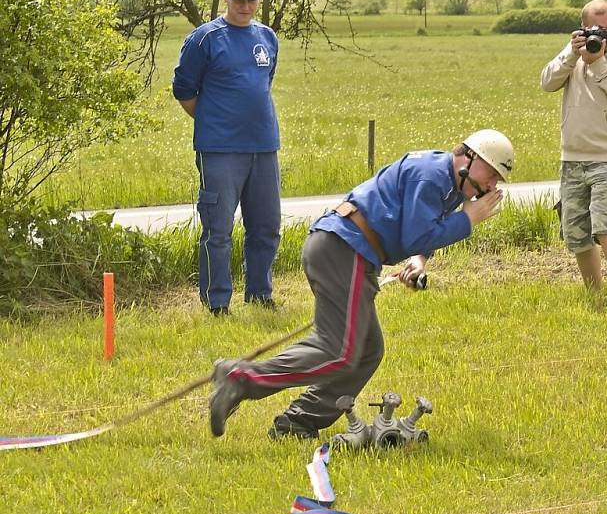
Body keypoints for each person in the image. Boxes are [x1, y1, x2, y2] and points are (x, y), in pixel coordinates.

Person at [207, 129, 514, 439]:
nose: (491, 185)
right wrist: (467, 220)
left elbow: (422, 230)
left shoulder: (447, 182)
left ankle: (298, 422)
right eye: (491, 174)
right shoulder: (432, 177)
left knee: (367, 350)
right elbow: (416, 235)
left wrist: (420, 260)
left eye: (497, 180)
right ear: (468, 158)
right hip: (343, 249)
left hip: (352, 251)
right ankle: (239, 378)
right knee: (339, 350)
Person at [172, 0, 281, 316]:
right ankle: (217, 302)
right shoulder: (204, 39)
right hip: (219, 150)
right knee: (218, 231)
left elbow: (264, 84)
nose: (245, 6)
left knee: (266, 227)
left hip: (264, 147)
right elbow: (184, 90)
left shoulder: (268, 38)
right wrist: (212, 121)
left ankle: (260, 295)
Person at [540, 0, 607, 306]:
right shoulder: (575, 51)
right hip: (573, 153)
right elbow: (547, 83)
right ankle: (594, 293)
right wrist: (572, 55)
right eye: (598, 29)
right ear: (584, 27)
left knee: (606, 223)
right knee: (575, 230)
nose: (605, 36)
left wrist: (598, 63)